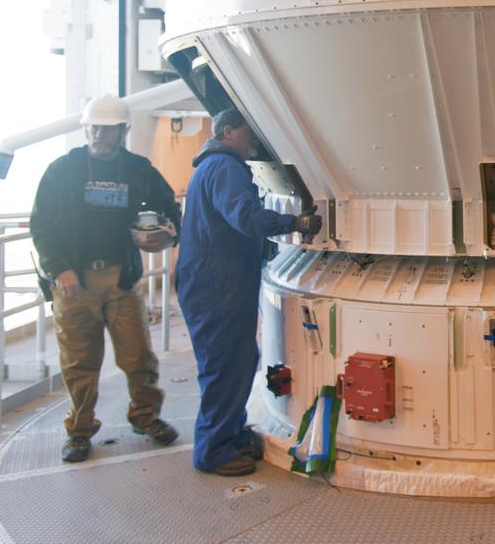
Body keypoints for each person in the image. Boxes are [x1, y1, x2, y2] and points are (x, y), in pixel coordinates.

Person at [30, 94, 182, 463]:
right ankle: (80, 430)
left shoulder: (138, 170)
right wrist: (59, 269)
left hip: (121, 280)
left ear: (123, 131)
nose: (99, 134)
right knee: (79, 363)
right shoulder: (62, 170)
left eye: (108, 129)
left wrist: (167, 234)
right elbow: (41, 225)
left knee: (138, 357)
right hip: (73, 282)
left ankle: (146, 417)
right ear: (86, 129)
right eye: (94, 128)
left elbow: (170, 207)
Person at [177, 109, 323, 476]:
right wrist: (295, 222)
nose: (253, 140)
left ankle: (229, 433)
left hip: (218, 283)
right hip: (216, 287)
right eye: (247, 133)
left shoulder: (214, 166)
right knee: (224, 365)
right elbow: (245, 216)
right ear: (228, 131)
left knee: (238, 361)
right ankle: (212, 450)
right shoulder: (224, 167)